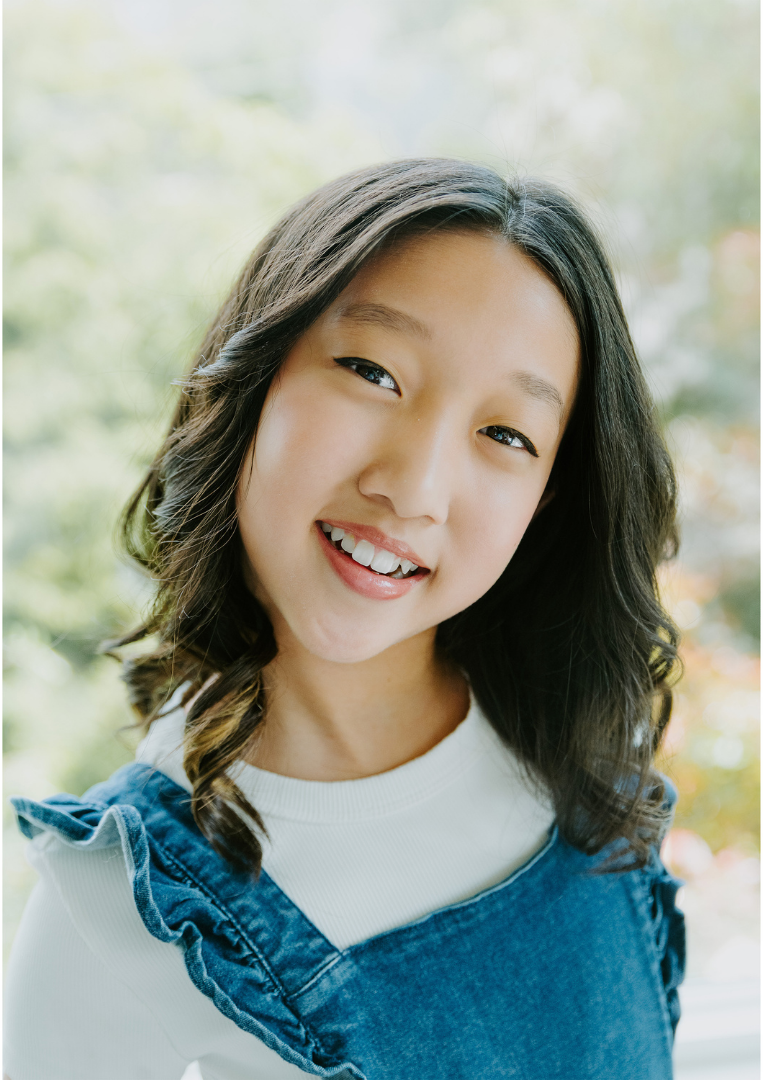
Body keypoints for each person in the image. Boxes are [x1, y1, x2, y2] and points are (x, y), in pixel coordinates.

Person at [5, 159, 685, 1080]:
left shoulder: (580, 747)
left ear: (546, 499)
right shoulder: (127, 903)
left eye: (505, 435)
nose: (413, 486)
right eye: (372, 372)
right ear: (255, 378)